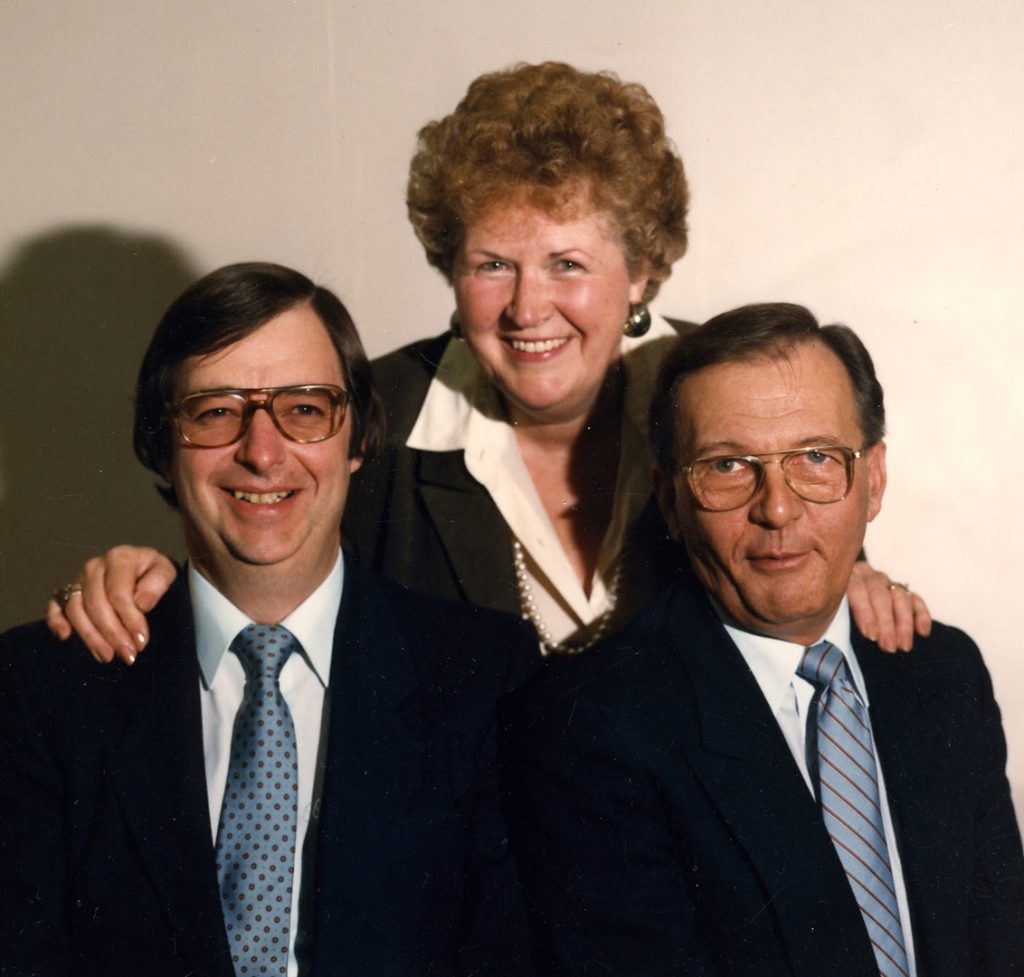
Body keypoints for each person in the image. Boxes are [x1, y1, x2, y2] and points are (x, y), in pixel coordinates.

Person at [46, 62, 927, 662]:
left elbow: (794, 559)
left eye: (568, 264)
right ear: (450, 268)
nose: (527, 308)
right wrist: (146, 578)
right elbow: (260, 580)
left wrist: (848, 581)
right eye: (492, 265)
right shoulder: (364, 414)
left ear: (645, 268)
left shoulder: (744, 409)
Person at [0, 263, 539, 976]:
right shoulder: (39, 688)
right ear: (163, 445)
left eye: (306, 408)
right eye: (216, 410)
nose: (261, 451)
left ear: (357, 440)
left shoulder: (483, 675)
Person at [503, 303, 1024, 977]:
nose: (777, 507)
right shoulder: (589, 728)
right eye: (727, 466)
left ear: (874, 481)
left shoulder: (942, 671)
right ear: (669, 500)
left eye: (815, 457)